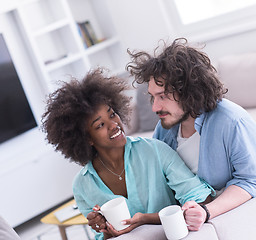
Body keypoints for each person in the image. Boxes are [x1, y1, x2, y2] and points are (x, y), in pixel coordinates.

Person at [41, 68, 213, 240]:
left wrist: (145, 219)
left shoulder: (154, 151)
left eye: (112, 115)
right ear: (87, 139)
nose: (114, 125)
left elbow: (200, 201)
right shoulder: (83, 185)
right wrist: (104, 229)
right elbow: (105, 238)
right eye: (100, 125)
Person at [126, 38, 256, 231]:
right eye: (152, 97)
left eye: (163, 96)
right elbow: (158, 182)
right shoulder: (164, 129)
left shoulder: (231, 121)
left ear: (189, 91)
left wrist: (205, 211)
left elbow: (249, 179)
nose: (155, 107)